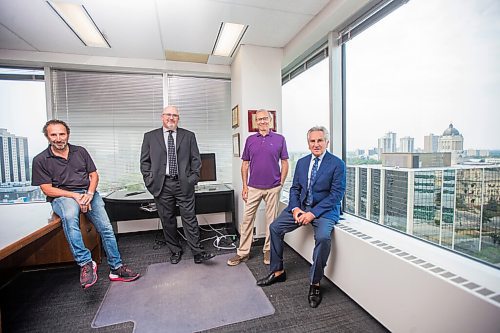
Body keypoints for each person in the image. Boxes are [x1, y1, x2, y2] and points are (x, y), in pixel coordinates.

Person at [32, 120, 140, 289]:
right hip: (63, 196)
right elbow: (47, 189)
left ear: (68, 134)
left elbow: (94, 175)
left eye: (62, 134)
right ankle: (85, 263)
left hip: (88, 193)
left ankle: (116, 268)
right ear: (48, 136)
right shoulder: (40, 159)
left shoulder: (80, 152)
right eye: (54, 134)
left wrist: (88, 194)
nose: (59, 138)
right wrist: (76, 196)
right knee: (69, 217)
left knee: (106, 227)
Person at [256, 126, 346, 308]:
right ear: (308, 143)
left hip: (325, 211)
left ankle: (315, 283)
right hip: (302, 207)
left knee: (322, 238)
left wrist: (312, 213)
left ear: (327, 142)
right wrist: (296, 209)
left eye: (320, 140)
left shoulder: (337, 164)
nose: (316, 144)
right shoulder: (303, 162)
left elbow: (336, 195)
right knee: (275, 228)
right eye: (312, 141)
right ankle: (278, 271)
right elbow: (295, 189)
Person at [140, 105, 215, 264]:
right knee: (167, 220)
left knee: (190, 218)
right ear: (162, 117)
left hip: (184, 184)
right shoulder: (150, 137)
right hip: (162, 185)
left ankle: (197, 252)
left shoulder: (188, 136)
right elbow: (144, 162)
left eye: (175, 115)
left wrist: (193, 178)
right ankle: (175, 250)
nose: (171, 118)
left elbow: (196, 160)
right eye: (168, 114)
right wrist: (149, 180)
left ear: (178, 118)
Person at [227, 109, 289, 266]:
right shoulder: (250, 140)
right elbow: (245, 164)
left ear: (270, 120)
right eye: (259, 119)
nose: (262, 121)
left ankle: (268, 250)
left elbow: (285, 162)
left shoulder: (280, 139)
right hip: (253, 187)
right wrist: (245, 186)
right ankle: (243, 252)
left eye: (265, 119)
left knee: (271, 221)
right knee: (247, 219)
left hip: (273, 187)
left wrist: (281, 183)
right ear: (256, 122)